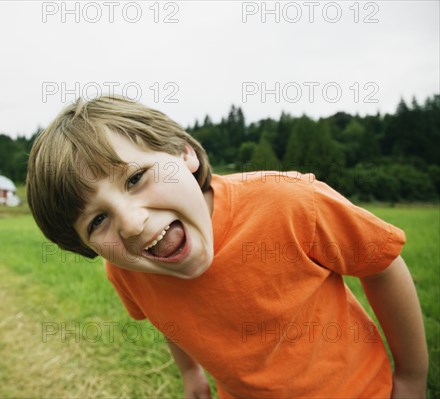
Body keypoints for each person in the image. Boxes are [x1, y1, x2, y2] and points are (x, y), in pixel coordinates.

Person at [26, 95, 428, 398]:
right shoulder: (126, 270)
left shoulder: (289, 202)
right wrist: (190, 374)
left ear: (184, 155)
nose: (132, 224)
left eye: (134, 179)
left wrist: (411, 377)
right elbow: (168, 319)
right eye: (97, 221)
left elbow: (382, 264)